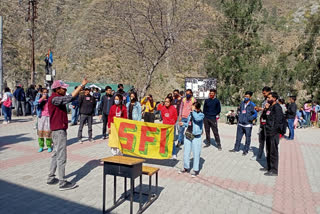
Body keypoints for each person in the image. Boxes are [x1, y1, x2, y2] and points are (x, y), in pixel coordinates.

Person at [47, 78, 88, 191]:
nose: (65, 89)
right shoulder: (54, 99)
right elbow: (69, 98)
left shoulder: (56, 98)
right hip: (58, 130)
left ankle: (51, 177)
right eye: (63, 88)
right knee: (61, 156)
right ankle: (62, 182)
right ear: (57, 89)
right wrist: (81, 86)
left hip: (58, 130)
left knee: (56, 154)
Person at [178, 102, 204, 177]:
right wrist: (183, 124)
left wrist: (194, 112)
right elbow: (189, 123)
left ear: (197, 108)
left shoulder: (201, 115)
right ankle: (186, 167)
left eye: (192, 106)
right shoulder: (191, 114)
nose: (191, 107)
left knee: (196, 153)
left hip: (196, 136)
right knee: (186, 152)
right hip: (188, 134)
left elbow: (197, 119)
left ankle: (195, 170)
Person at [261, 92, 284, 176]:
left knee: (273, 151)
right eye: (267, 97)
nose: (268, 99)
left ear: (274, 98)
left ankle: (274, 170)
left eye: (269, 97)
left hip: (273, 133)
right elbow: (264, 117)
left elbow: (278, 122)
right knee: (268, 150)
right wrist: (265, 109)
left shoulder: (277, 108)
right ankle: (269, 167)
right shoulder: (270, 107)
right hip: (268, 131)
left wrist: (274, 132)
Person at [229, 91, 257, 156]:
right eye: (245, 96)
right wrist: (239, 116)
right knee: (238, 137)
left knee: (247, 138)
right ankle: (236, 148)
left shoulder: (252, 105)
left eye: (247, 96)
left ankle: (245, 150)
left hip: (248, 125)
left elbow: (255, 114)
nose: (246, 98)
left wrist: (250, 119)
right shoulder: (242, 103)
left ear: (250, 97)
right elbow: (239, 110)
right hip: (240, 124)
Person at [251, 86, 271, 161]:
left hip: (268, 124)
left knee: (268, 142)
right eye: (263, 93)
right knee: (261, 140)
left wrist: (261, 109)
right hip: (262, 122)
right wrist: (259, 109)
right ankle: (259, 155)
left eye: (264, 93)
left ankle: (268, 158)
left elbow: (270, 110)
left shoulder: (272, 100)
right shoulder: (265, 100)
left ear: (269, 92)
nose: (263, 94)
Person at [35, 88, 52, 153]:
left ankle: (49, 146)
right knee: (40, 133)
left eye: (46, 92)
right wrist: (41, 99)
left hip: (48, 117)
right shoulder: (39, 98)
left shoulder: (49, 99)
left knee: (48, 132)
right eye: (44, 92)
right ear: (41, 93)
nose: (45, 93)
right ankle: (41, 146)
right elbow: (35, 104)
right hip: (41, 117)